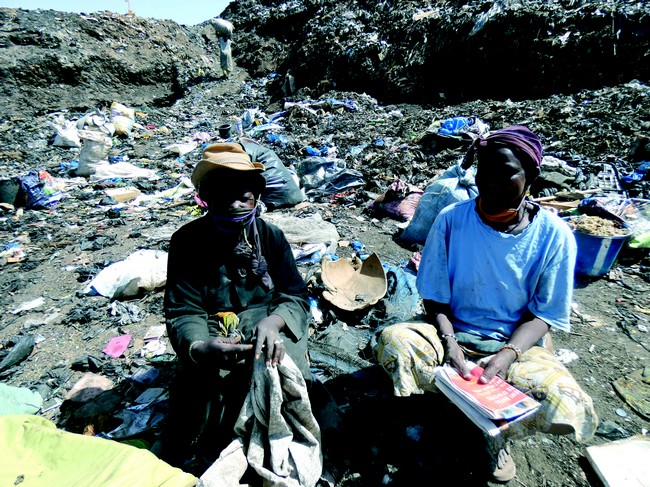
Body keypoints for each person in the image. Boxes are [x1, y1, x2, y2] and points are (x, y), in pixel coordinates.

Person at [374, 125, 598, 483]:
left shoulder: (555, 236)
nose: (491, 183)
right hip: (450, 331)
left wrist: (507, 354)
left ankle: (497, 433)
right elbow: (434, 297)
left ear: (532, 177)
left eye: (506, 174)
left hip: (515, 344)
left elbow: (543, 314)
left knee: (564, 398)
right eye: (484, 173)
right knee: (396, 342)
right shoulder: (451, 220)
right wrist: (449, 343)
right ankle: (451, 404)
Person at [160, 142, 319, 480]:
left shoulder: (271, 237)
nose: (234, 204)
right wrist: (200, 346)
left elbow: (294, 295)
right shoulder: (186, 242)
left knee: (288, 376)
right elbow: (183, 309)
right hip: (214, 328)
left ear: (256, 198)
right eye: (223, 196)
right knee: (198, 395)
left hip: (268, 324)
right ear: (206, 199)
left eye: (244, 197)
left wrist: (273, 324)